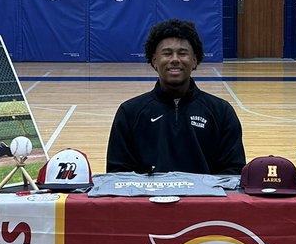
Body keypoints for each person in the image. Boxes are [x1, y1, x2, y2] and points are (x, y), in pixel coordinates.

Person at [105, 19, 246, 175]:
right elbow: (117, 174)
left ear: (194, 60)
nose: (174, 59)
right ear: (154, 61)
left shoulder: (221, 112)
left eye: (182, 53)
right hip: (148, 199)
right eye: (167, 53)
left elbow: (233, 173)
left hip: (205, 199)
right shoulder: (129, 112)